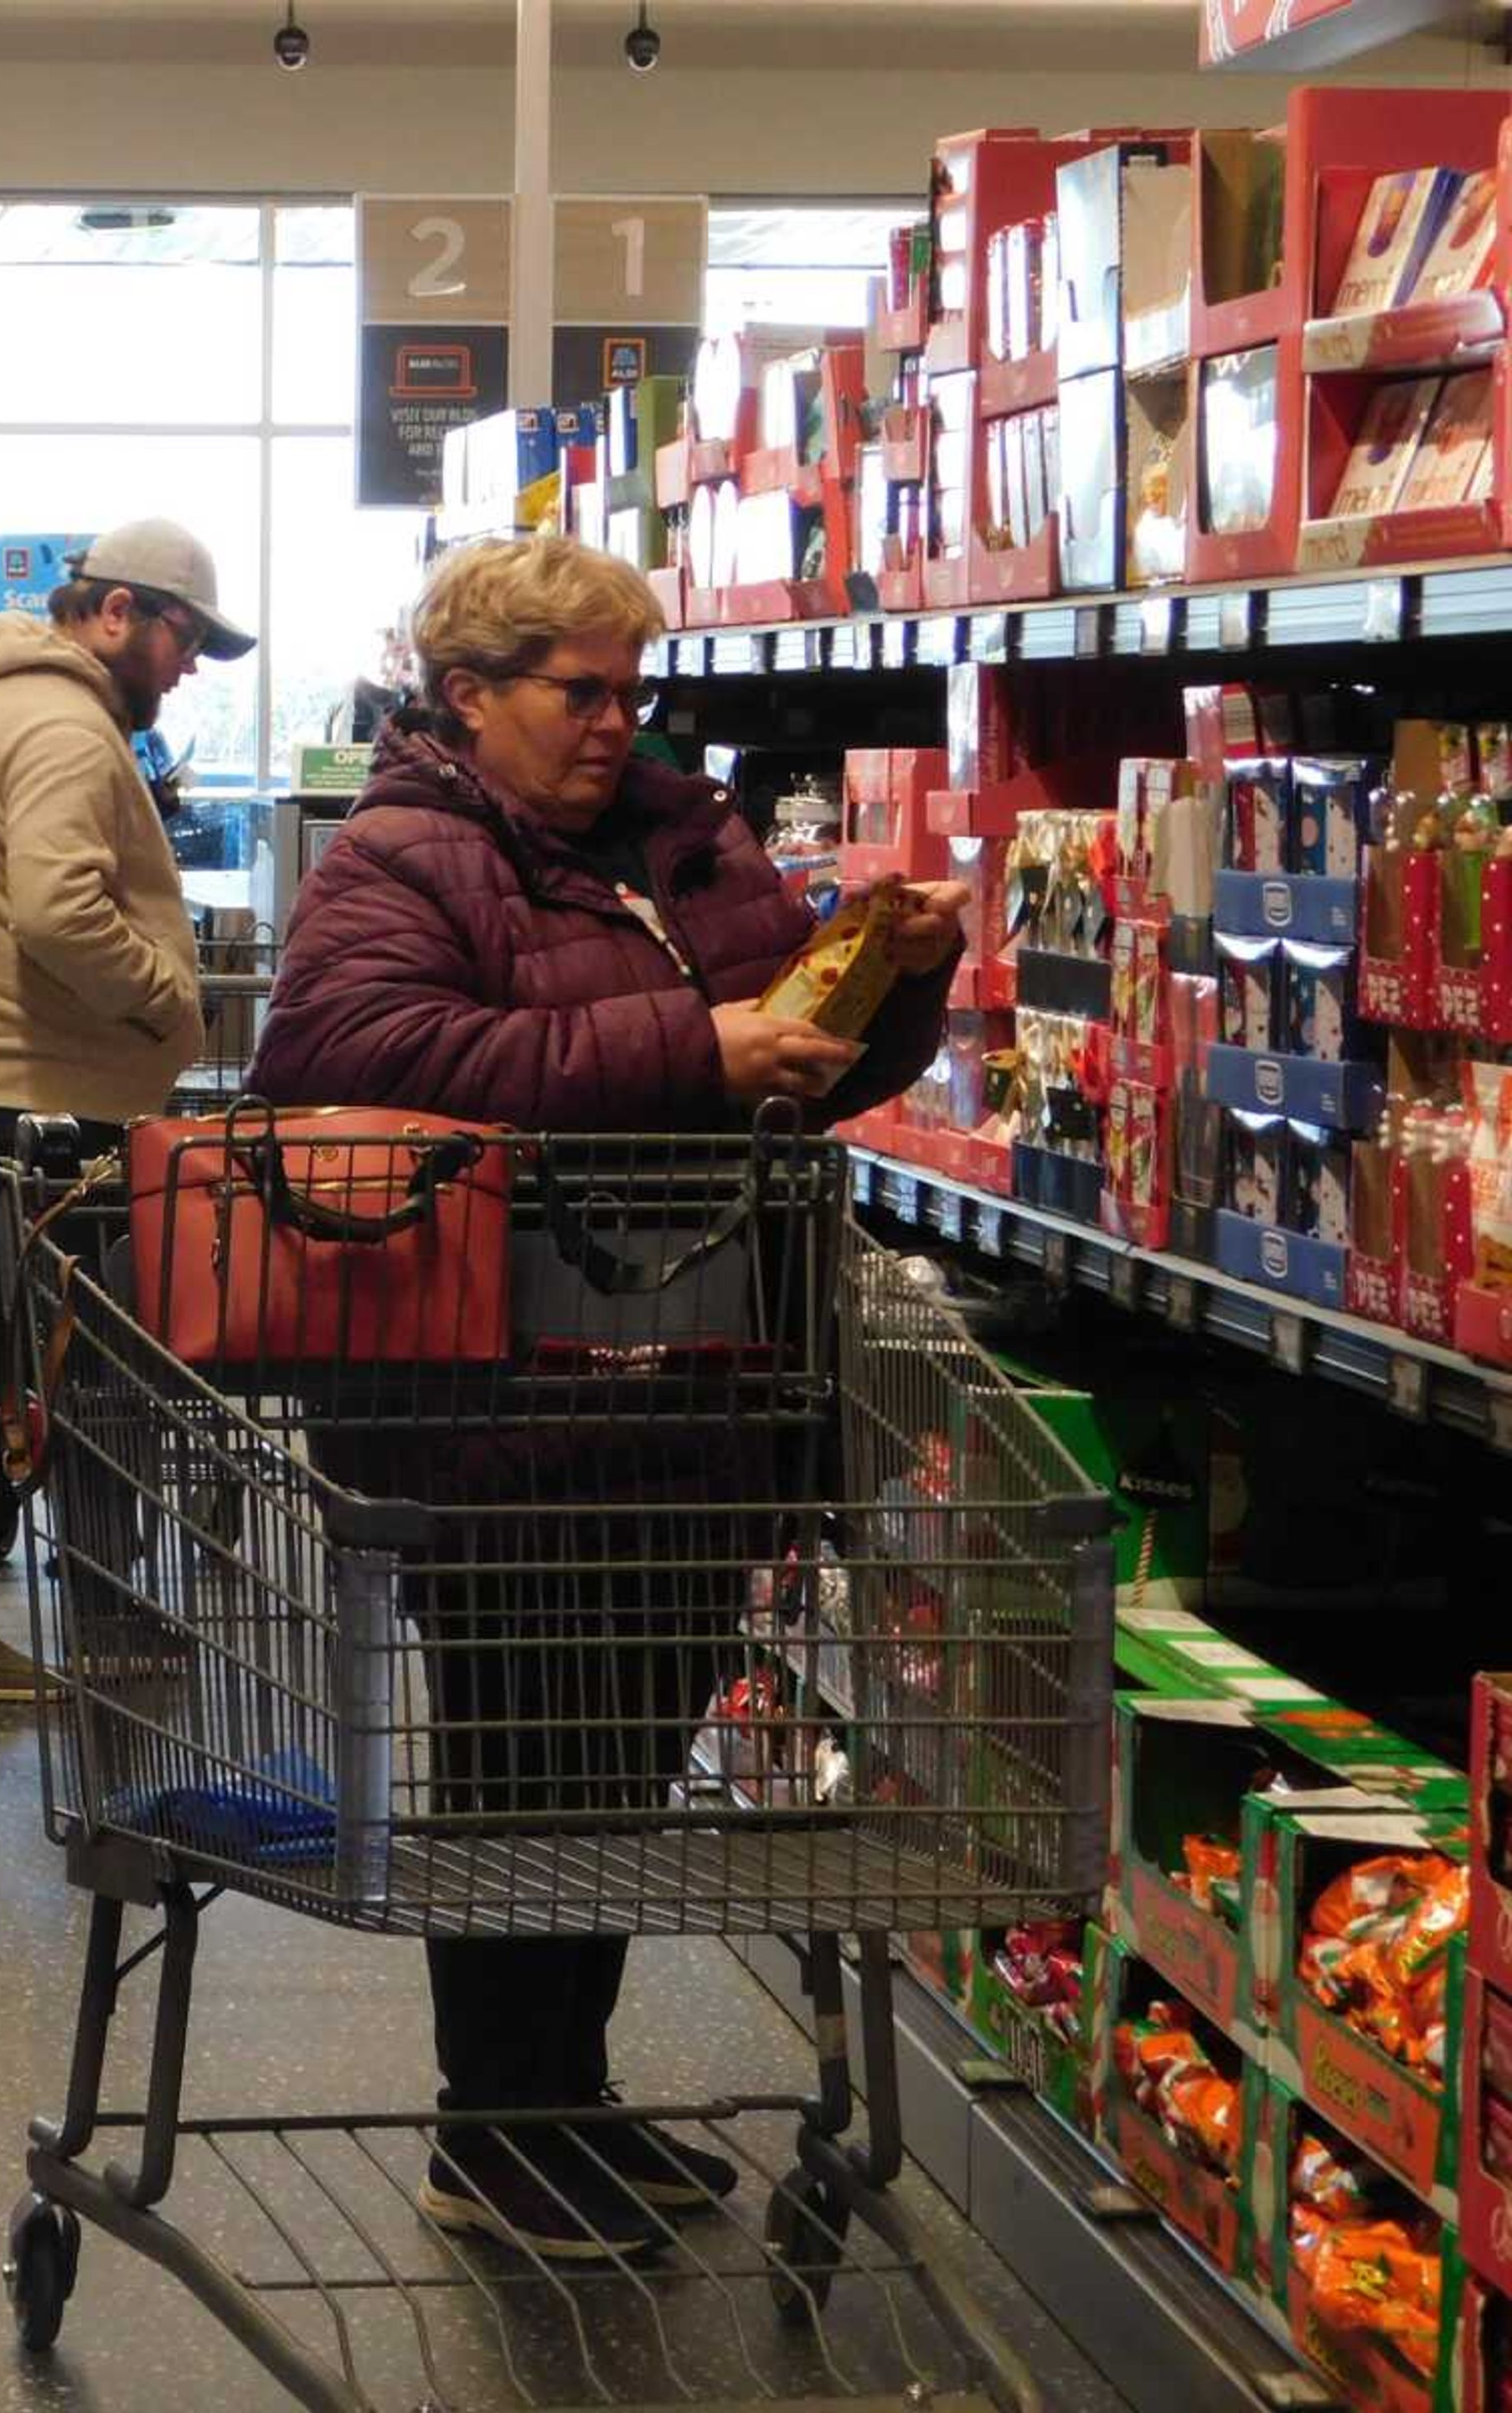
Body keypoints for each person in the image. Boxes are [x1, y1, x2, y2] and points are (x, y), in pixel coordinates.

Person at [245, 535, 967, 2258]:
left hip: (700, 1387)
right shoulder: (401, 858)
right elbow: (353, 1065)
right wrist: (690, 1050)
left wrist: (894, 976)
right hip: (498, 1403)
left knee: (619, 1775)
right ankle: (487, 2138)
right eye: (578, 690)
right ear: (469, 693)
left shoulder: (681, 835)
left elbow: (805, 1054)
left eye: (629, 691)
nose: (611, 722)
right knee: (521, 1773)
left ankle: (559, 2099)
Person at [0, 517, 253, 1702]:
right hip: (40, 1101)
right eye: (183, 636)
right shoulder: (62, 726)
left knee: (5, 1354)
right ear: (115, 614)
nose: (186, 666)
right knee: (47, 1370)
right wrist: (165, 1005)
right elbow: (58, 911)